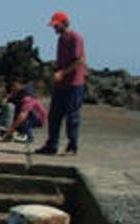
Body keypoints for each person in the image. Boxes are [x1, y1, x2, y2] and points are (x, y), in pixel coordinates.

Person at [37, 11, 86, 155]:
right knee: (54, 115)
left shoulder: (75, 38)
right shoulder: (61, 40)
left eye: (56, 26)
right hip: (61, 84)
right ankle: (52, 145)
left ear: (64, 23)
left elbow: (79, 60)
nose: (54, 28)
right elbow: (60, 62)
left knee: (72, 116)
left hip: (74, 84)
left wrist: (62, 73)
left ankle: (72, 146)